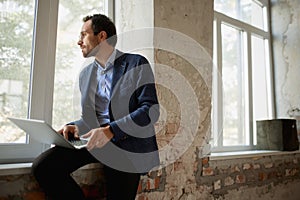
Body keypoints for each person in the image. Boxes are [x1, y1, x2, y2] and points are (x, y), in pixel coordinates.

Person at [32, 14, 160, 200]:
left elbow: (150, 110)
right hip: (94, 142)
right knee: (44, 167)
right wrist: (75, 127)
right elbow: (91, 119)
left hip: (127, 147)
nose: (78, 41)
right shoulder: (86, 75)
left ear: (101, 36)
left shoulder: (136, 63)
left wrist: (111, 130)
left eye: (84, 34)